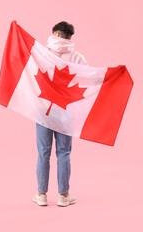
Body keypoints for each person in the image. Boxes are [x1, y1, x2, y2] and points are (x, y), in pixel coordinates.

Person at [33, 21, 88, 207]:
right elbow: (88, 80)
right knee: (64, 153)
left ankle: (41, 194)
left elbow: (30, 71)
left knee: (43, 153)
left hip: (44, 110)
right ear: (69, 37)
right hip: (66, 112)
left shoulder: (42, 53)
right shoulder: (78, 58)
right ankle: (63, 196)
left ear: (55, 34)